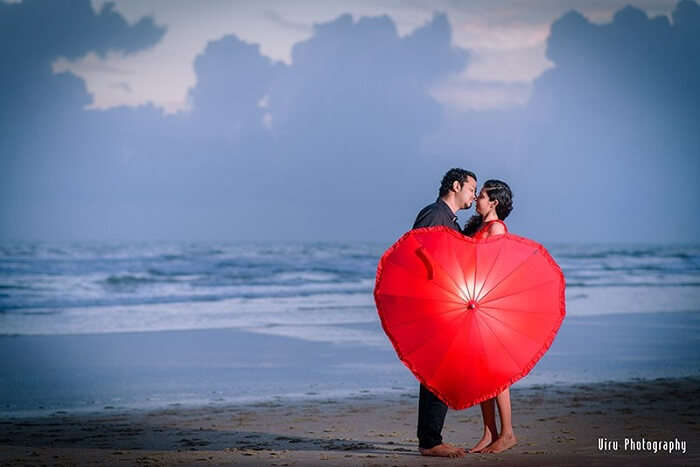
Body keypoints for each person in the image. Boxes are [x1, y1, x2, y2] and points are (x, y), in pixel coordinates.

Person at [412, 168, 477, 458]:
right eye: (471, 189)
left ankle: (429, 438)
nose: (473, 196)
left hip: (445, 305)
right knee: (437, 373)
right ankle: (430, 442)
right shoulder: (435, 214)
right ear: (456, 185)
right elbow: (415, 247)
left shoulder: (450, 221)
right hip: (434, 306)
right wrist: (443, 276)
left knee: (438, 373)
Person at [463, 179, 517, 454]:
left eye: (481, 196)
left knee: (496, 372)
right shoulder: (478, 227)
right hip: (475, 304)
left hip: (490, 305)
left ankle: (507, 433)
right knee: (482, 372)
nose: (476, 199)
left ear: (494, 202)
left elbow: (497, 269)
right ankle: (489, 433)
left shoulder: (496, 228)